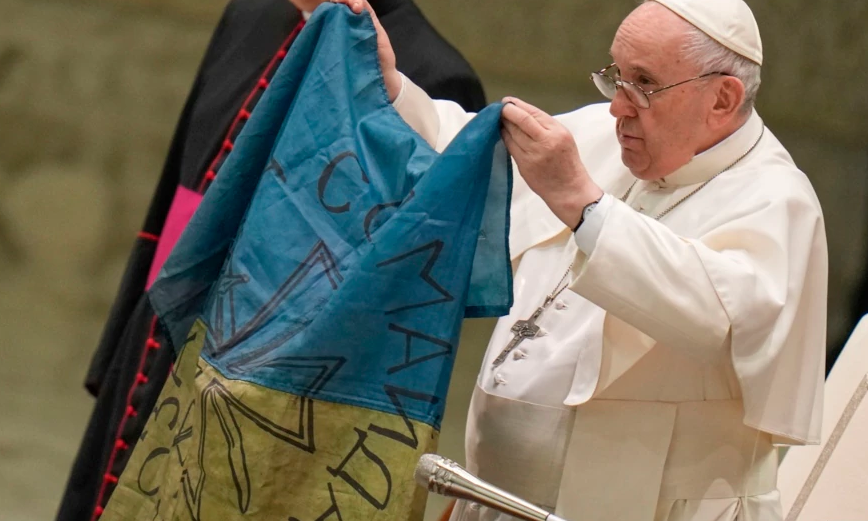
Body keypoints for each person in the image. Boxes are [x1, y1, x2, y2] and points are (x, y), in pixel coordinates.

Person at [332, 0, 828, 520]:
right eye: (616, 76)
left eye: (644, 84)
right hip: (493, 498)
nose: (618, 108)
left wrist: (582, 204)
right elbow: (466, 157)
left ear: (722, 99)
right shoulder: (604, 135)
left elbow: (718, 318)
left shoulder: (777, 199)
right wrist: (392, 86)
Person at [57, 1, 486, 519]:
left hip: (261, 388)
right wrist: (119, 348)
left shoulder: (436, 74)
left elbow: (401, 299)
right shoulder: (251, 13)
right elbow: (179, 187)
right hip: (157, 333)